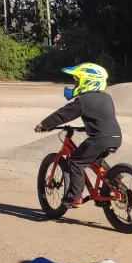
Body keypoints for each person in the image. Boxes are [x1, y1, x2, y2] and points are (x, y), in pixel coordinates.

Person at [34, 63, 121, 207]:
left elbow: (62, 115)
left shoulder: (83, 101)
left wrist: (44, 125)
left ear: (87, 82)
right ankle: (118, 180)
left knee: (76, 162)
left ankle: (75, 197)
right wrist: (85, 127)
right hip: (116, 137)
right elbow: (100, 118)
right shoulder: (107, 97)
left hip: (99, 138)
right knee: (94, 159)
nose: (75, 84)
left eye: (77, 81)